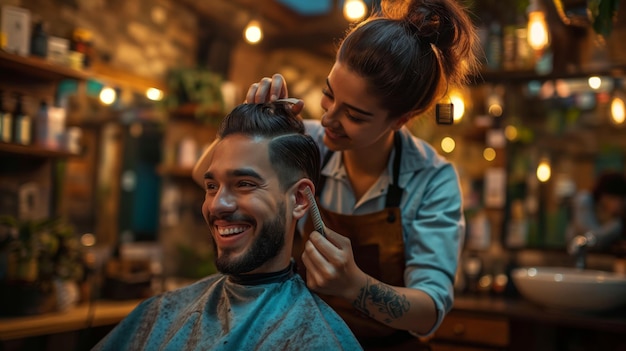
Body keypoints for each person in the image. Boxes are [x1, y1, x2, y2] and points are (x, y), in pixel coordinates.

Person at [193, 0, 479, 348]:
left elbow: (429, 312)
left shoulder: (431, 180)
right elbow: (203, 175)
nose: (328, 119)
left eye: (355, 116)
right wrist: (245, 128)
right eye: (329, 95)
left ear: (400, 120)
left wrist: (354, 285)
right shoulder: (311, 142)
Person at [93, 102, 363, 351]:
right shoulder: (160, 313)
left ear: (300, 200)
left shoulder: (317, 339)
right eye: (212, 186)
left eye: (244, 184)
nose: (216, 205)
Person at [566, 171, 626, 255]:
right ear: (605, 196)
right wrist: (616, 225)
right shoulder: (585, 200)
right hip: (573, 256)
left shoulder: (612, 216)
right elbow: (590, 237)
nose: (621, 204)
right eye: (619, 199)